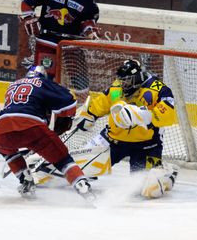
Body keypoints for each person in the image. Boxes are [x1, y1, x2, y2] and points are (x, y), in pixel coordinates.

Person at [74, 59, 178, 198]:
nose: (123, 84)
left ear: (137, 78)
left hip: (146, 146)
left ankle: (167, 173)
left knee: (146, 189)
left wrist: (142, 115)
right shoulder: (117, 87)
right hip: (112, 140)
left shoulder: (159, 89)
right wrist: (89, 114)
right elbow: (104, 101)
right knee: (77, 171)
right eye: (122, 81)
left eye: (127, 81)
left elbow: (168, 116)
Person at [0, 65, 94, 200]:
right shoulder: (43, 82)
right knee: (63, 160)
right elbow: (69, 101)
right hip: (32, 127)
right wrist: (62, 125)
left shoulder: (13, 84)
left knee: (8, 152)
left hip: (0, 129)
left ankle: (26, 182)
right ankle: (82, 185)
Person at [19, 0, 99, 79]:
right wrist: (30, 19)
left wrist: (89, 30)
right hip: (47, 39)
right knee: (44, 77)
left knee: (79, 79)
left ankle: (81, 97)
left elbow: (89, 18)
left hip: (71, 43)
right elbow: (27, 2)